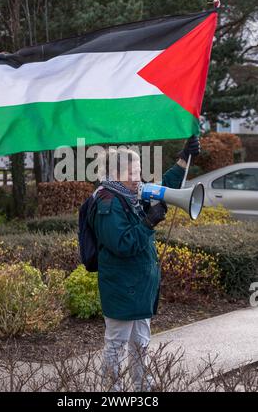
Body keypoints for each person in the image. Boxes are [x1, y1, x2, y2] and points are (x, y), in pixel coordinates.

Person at [89, 136, 200, 392]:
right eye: (134, 172)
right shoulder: (107, 201)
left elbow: (164, 188)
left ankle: (143, 389)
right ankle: (112, 391)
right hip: (121, 286)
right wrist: (148, 223)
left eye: (140, 171)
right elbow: (122, 244)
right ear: (117, 172)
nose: (139, 177)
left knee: (141, 342)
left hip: (138, 286)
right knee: (116, 343)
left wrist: (184, 159)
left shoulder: (130, 193)